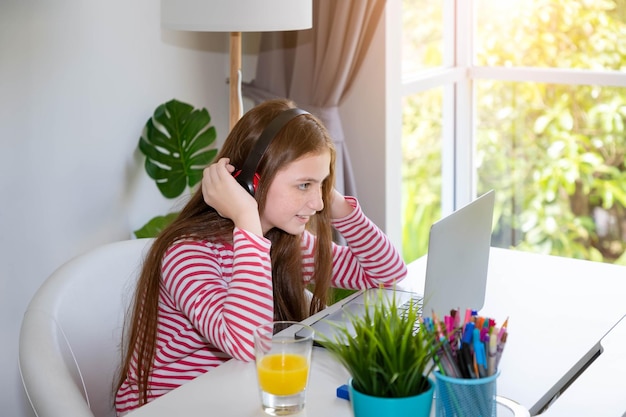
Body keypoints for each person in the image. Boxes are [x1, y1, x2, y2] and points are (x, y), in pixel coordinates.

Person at [114, 98, 407, 415]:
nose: (318, 203)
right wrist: (246, 217)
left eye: (321, 185)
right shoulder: (188, 253)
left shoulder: (282, 241)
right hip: (170, 406)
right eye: (303, 184)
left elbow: (386, 273)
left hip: (235, 395)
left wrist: (337, 203)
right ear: (251, 183)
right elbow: (245, 343)